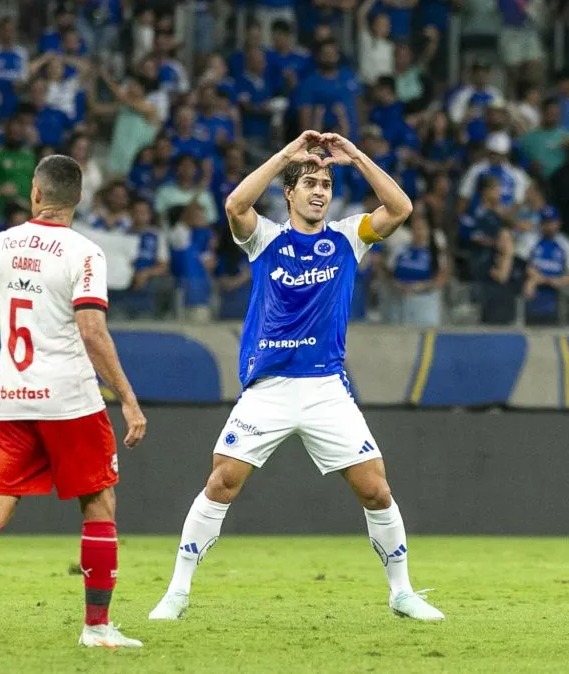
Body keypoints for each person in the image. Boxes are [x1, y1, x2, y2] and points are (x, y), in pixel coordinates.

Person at [148, 131, 445, 623]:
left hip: (326, 388)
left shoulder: (348, 237)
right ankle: (177, 592)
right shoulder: (264, 238)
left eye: (326, 184)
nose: (319, 191)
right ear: (289, 193)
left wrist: (357, 157)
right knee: (222, 482)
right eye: (309, 183)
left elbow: (401, 208)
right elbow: (235, 204)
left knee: (376, 490)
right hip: (269, 389)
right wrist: (285, 155)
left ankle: (402, 593)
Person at [0, 155, 148, 649]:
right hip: (70, 400)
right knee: (99, 503)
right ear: (78, 198)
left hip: (12, 396)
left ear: (35, 193)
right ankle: (97, 627)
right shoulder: (84, 252)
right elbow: (91, 330)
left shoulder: (2, 242)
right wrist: (128, 399)